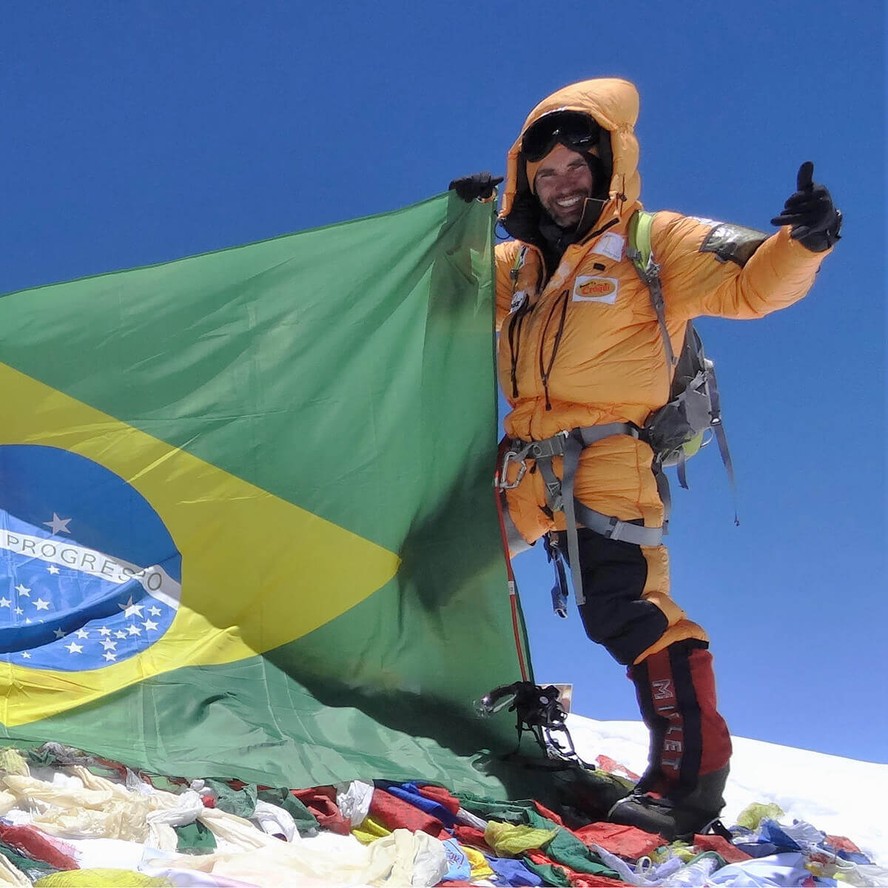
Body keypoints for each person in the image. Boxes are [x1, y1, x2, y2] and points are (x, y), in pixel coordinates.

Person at [449, 77, 841, 839]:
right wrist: (454, 227)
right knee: (443, 563)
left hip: (607, 459)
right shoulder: (517, 267)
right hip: (523, 466)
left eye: (576, 168)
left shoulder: (654, 243)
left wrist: (804, 242)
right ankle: (423, 708)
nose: (562, 186)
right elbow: (440, 296)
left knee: (626, 608)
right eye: (547, 174)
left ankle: (687, 784)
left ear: (608, 167)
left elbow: (757, 283)